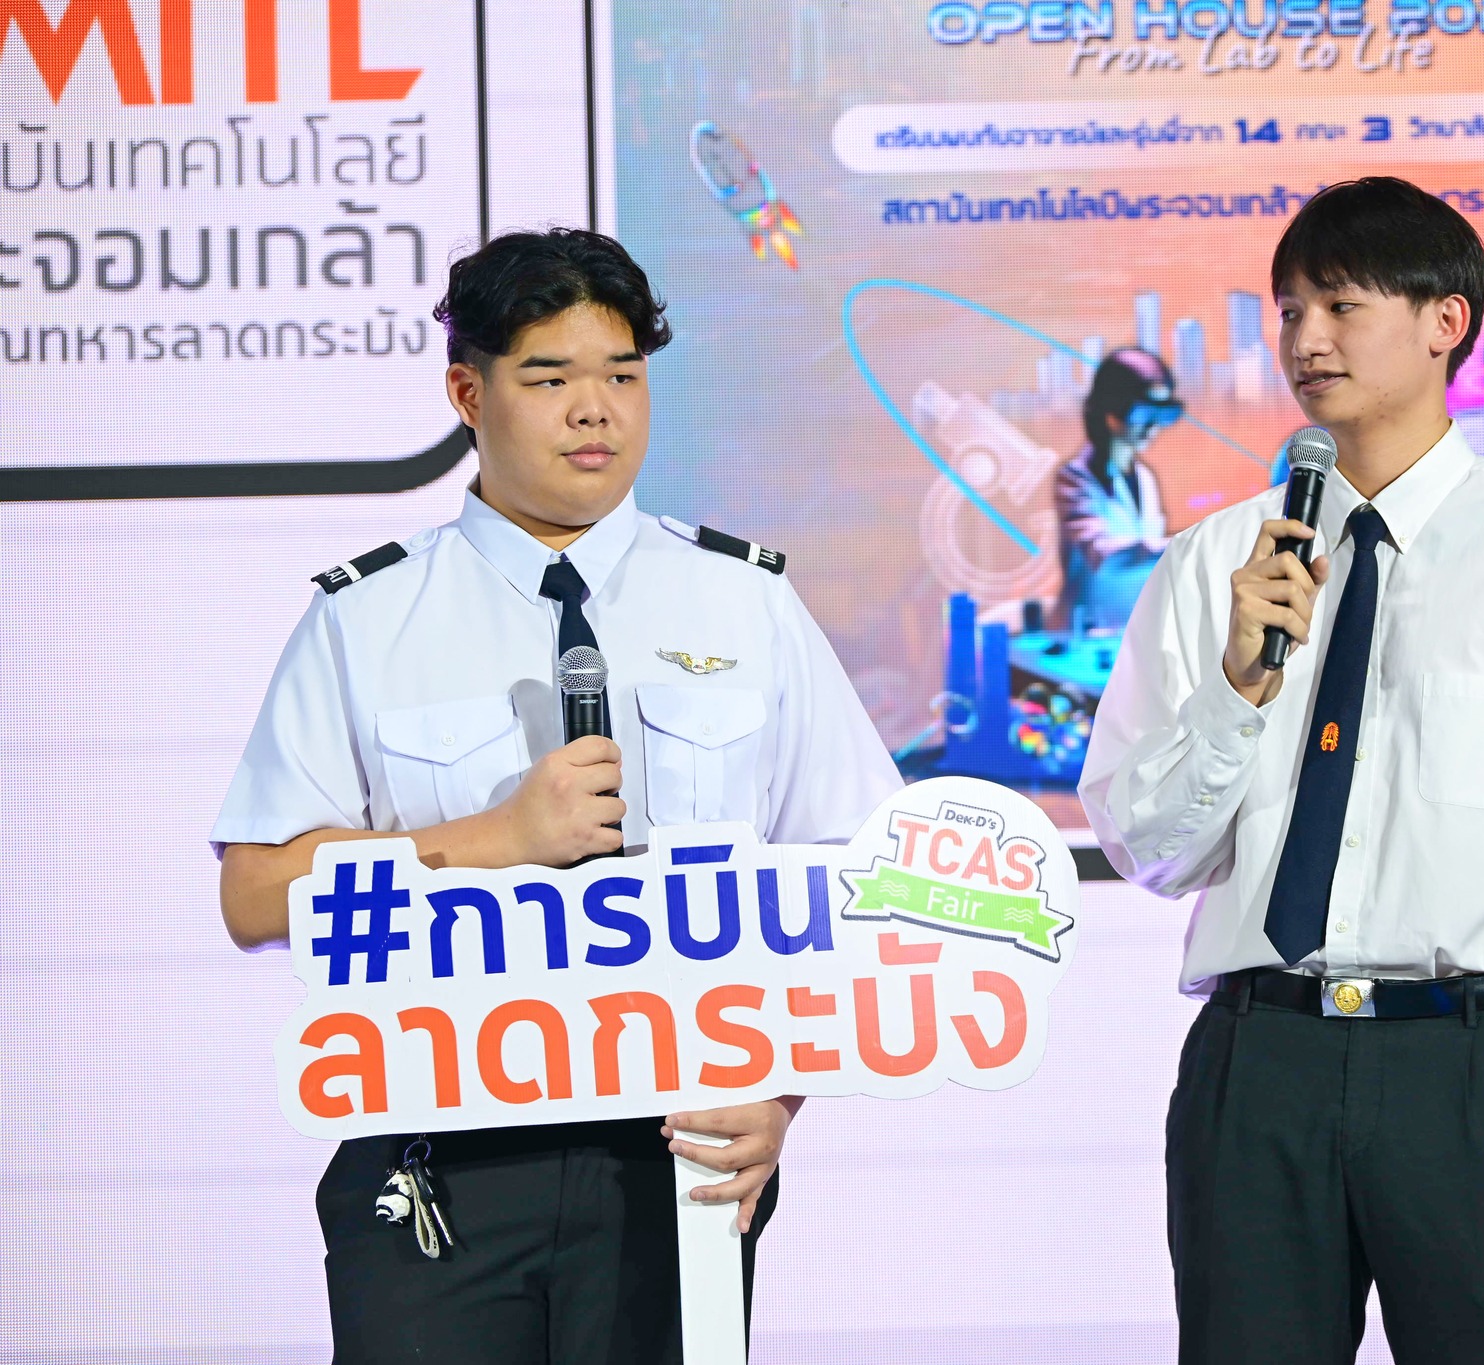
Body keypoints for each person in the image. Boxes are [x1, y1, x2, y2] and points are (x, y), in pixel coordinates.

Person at [211, 228, 902, 1362]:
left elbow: (859, 875)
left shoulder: (744, 602)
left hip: (675, 1146)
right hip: (436, 1147)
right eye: (549, 379)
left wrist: (777, 1096)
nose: (595, 410)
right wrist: (495, 837)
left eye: (622, 375)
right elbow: (254, 895)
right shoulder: (367, 616)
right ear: (467, 394)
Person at [1079, 178, 1484, 1365]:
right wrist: (1238, 688)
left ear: (1444, 322)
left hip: (1473, 1065)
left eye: (1340, 306)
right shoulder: (1215, 562)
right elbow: (1147, 847)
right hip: (1259, 1062)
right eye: (1287, 311)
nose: (1304, 341)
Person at [1055, 346, 1182, 631]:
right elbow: (1103, 556)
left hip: (1132, 632)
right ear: (1112, 413)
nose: (1153, 426)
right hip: (1084, 636)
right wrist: (1183, 545)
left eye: (1161, 413)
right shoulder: (1074, 478)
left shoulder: (1145, 479)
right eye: (1144, 413)